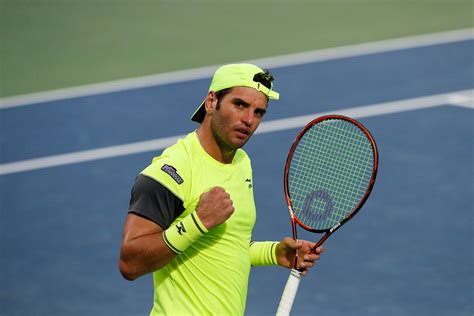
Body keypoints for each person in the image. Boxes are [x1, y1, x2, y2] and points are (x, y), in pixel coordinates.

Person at [119, 63, 324, 315]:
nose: (249, 120)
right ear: (211, 101)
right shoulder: (172, 171)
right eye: (239, 105)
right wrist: (197, 222)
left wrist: (274, 253)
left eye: (258, 112)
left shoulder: (241, 163)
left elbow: (227, 245)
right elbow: (130, 263)